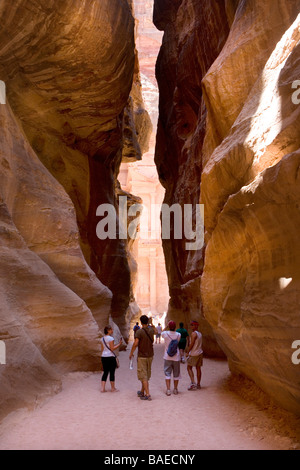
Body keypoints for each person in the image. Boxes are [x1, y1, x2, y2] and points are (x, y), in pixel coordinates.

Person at [129, 315, 157, 401]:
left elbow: (136, 343)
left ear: (141, 322)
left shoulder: (139, 332)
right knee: (146, 374)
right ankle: (142, 391)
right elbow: (156, 331)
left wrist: (131, 353)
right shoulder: (151, 330)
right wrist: (151, 323)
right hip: (150, 355)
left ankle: (147, 394)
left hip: (142, 356)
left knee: (143, 375)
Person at [100, 325, 123, 393]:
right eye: (111, 330)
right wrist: (119, 344)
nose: (112, 331)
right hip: (110, 357)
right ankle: (113, 388)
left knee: (105, 372)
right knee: (112, 372)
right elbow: (112, 348)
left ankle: (102, 389)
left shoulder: (102, 339)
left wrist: (101, 357)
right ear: (108, 330)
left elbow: (102, 349)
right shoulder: (111, 339)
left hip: (103, 356)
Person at [161, 321, 181, 395]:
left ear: (168, 326)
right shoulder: (179, 335)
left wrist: (166, 327)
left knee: (167, 373)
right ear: (175, 327)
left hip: (167, 356)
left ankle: (168, 390)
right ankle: (175, 389)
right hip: (176, 357)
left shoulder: (165, 334)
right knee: (176, 374)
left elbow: (161, 333)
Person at [186, 320, 203, 391]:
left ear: (196, 326)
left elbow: (192, 344)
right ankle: (198, 384)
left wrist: (188, 351)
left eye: (192, 325)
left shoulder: (193, 334)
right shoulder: (200, 334)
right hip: (200, 352)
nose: (191, 326)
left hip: (194, 353)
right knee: (198, 368)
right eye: (191, 325)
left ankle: (193, 383)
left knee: (189, 367)